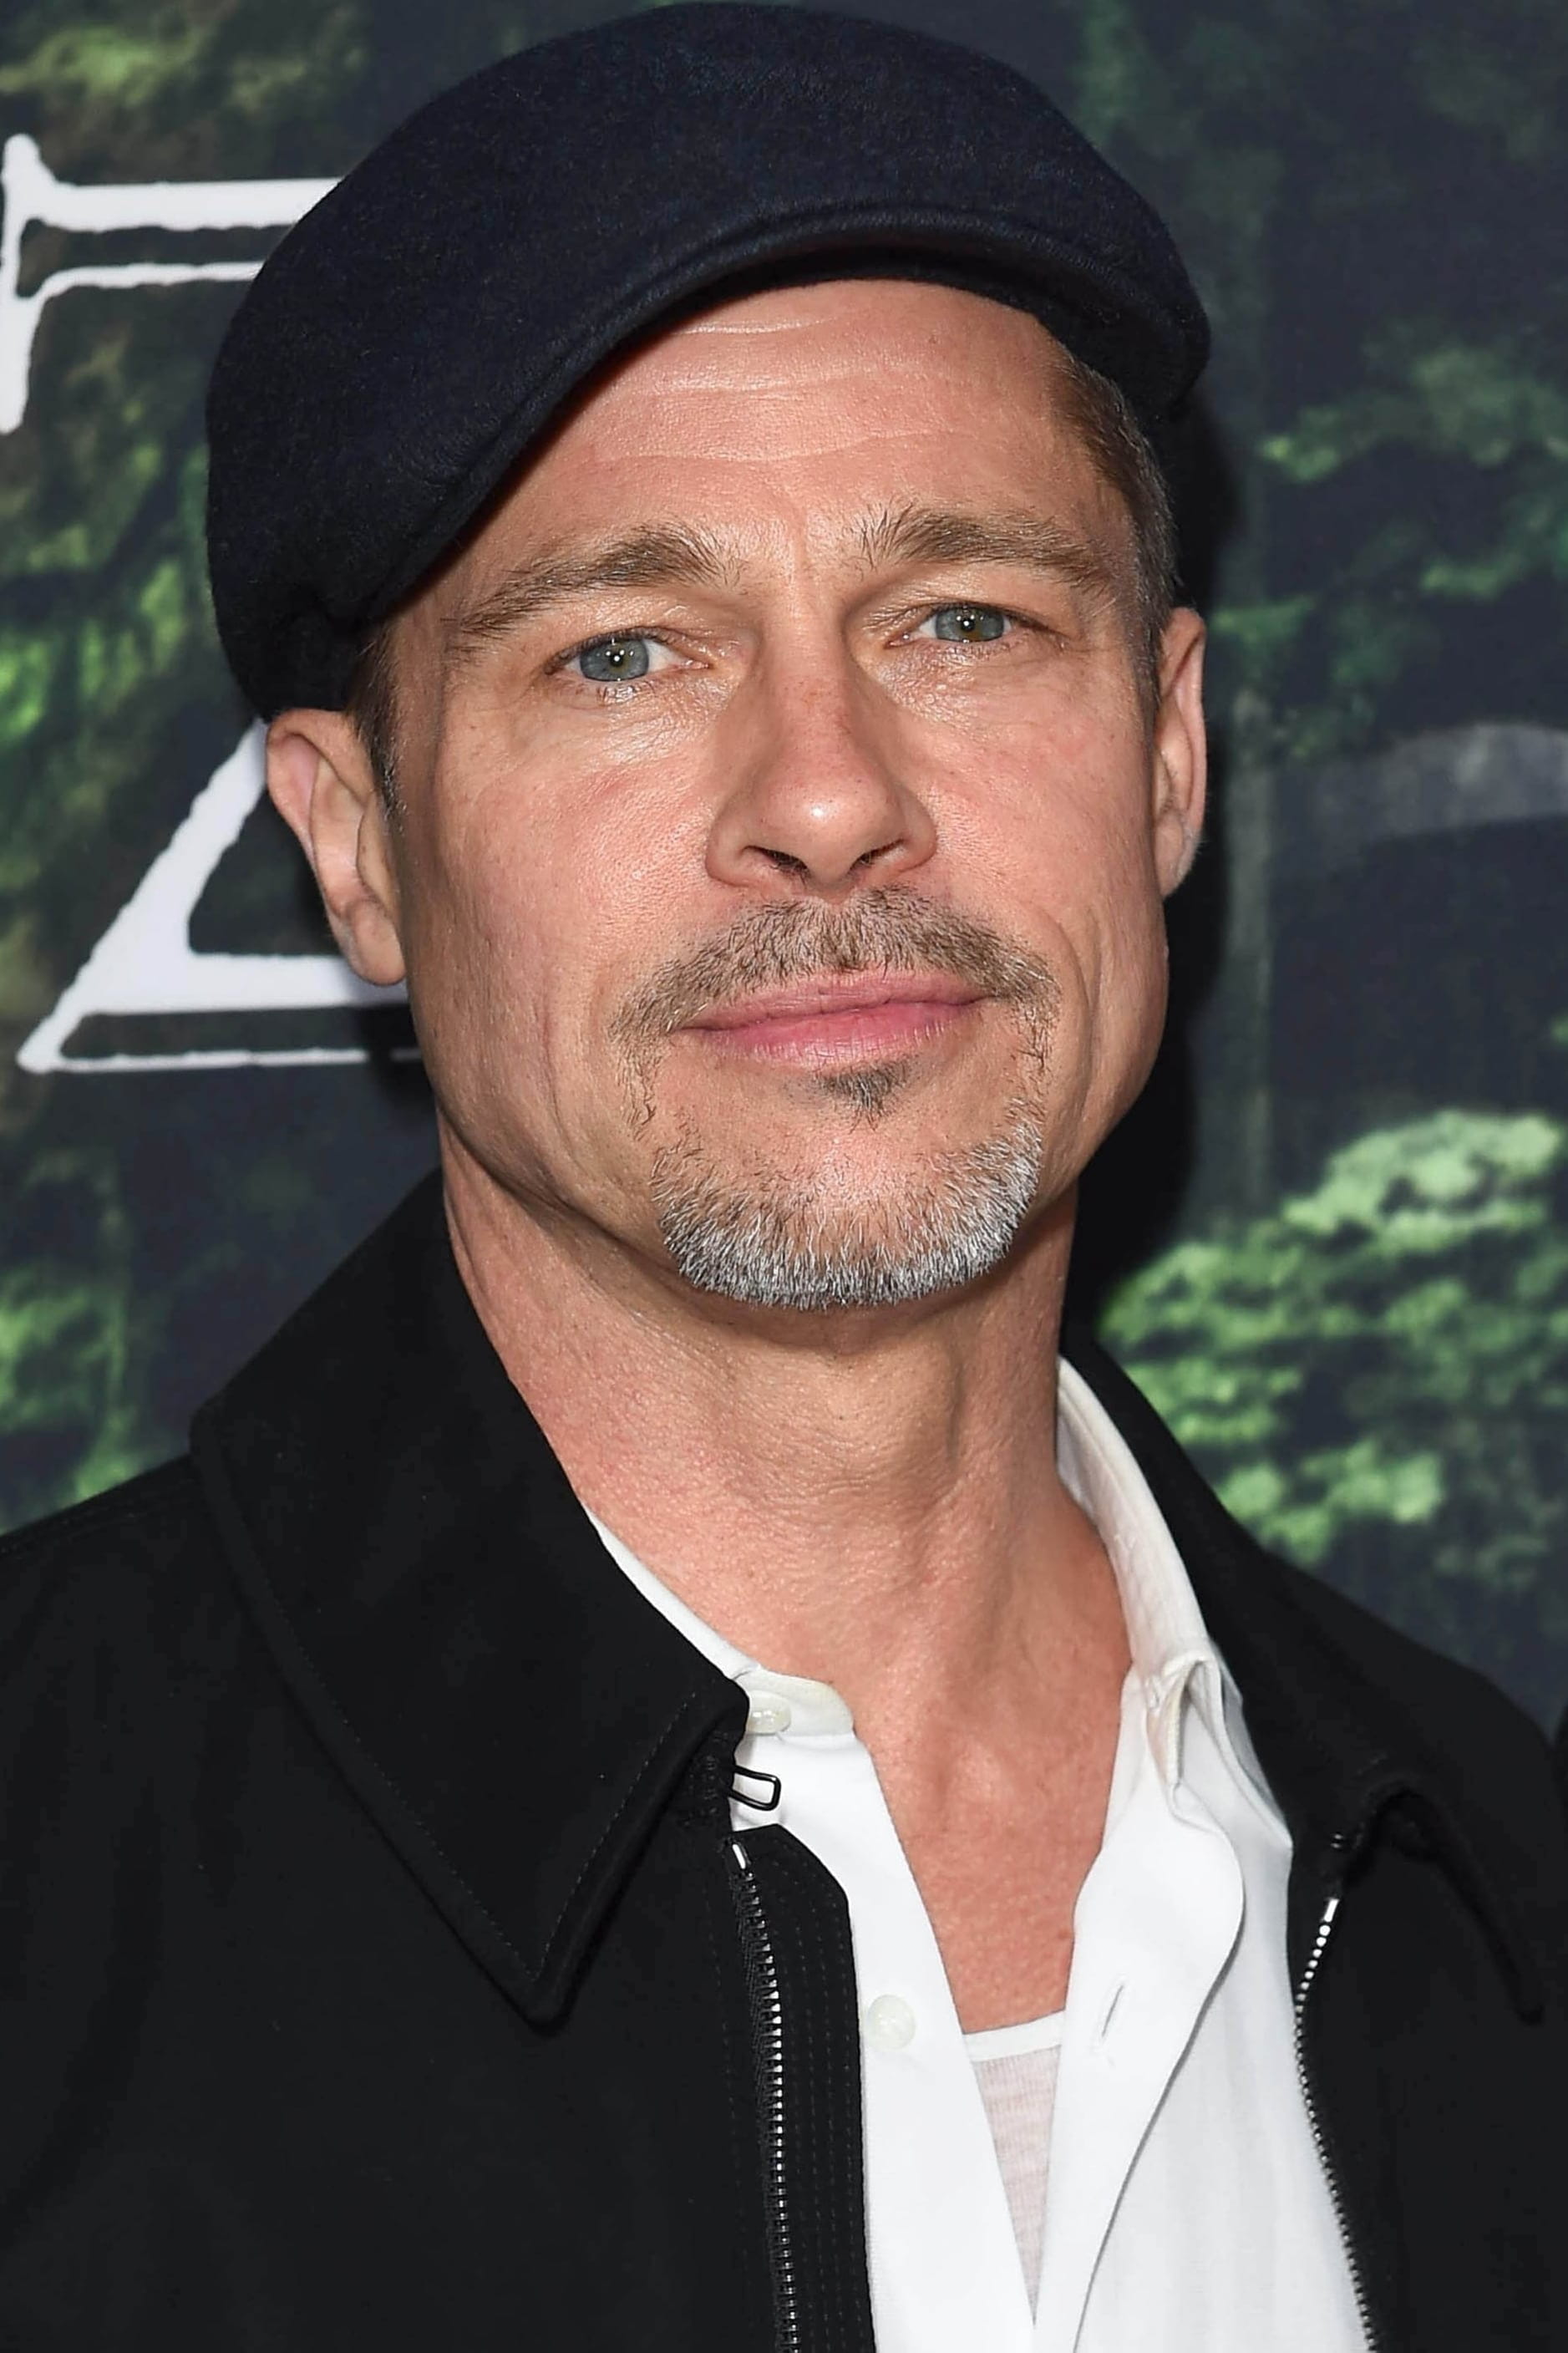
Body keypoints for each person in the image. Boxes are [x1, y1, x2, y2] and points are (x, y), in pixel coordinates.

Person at [2, 8, 1565, 2348]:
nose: (828, 798)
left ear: (1166, 751)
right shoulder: (43, 1896)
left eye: (966, 622)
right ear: (356, 849)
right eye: (625, 654)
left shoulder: (1498, 1891)